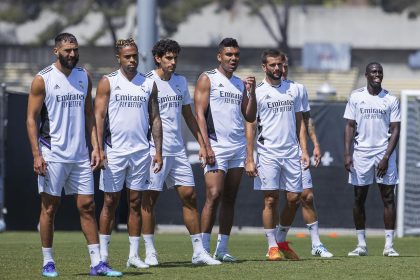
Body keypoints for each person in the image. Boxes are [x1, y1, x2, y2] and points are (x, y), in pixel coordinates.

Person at [26, 33, 122, 277]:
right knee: (50, 207)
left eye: (75, 50)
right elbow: (30, 119)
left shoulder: (84, 76)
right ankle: (48, 262)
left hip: (80, 155)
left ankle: (97, 263)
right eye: (67, 50)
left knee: (88, 206)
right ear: (56, 51)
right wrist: (37, 154)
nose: (72, 54)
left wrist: (97, 148)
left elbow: (90, 115)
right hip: (52, 154)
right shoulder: (42, 80)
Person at [140, 39, 221, 266]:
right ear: (158, 58)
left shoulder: (180, 82)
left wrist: (204, 144)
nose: (173, 62)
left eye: (175, 57)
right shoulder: (146, 82)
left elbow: (189, 116)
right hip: (154, 150)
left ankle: (198, 252)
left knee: (190, 197)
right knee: (149, 200)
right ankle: (149, 251)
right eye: (168, 57)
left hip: (178, 150)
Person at [95, 38, 163, 269]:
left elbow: (155, 117)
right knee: (110, 202)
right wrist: (99, 149)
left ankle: (133, 256)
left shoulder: (148, 83)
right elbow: (99, 118)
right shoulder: (108, 82)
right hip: (114, 152)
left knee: (136, 204)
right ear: (119, 58)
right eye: (127, 56)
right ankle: (102, 256)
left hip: (141, 152)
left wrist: (158, 151)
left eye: (134, 56)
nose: (132, 60)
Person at [194, 38, 256, 262]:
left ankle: (222, 249)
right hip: (216, 146)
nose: (233, 59)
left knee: (230, 197)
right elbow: (199, 113)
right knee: (213, 195)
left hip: (237, 147)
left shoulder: (240, 84)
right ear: (220, 56)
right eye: (229, 55)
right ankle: (201, 250)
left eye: (236, 55)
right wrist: (205, 145)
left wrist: (252, 92)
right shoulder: (207, 78)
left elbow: (249, 116)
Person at [245, 49, 310, 261]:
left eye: (279, 65)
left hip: (292, 153)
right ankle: (272, 246)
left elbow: (301, 121)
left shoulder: (295, 89)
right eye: (272, 65)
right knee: (271, 200)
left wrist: (304, 150)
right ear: (264, 67)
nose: (277, 69)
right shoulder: (258, 91)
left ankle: (281, 238)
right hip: (268, 153)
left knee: (294, 198)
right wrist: (250, 157)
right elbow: (251, 124)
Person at [344, 62, 400, 257]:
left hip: (384, 154)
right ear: (367, 75)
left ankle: (389, 246)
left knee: (388, 197)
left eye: (380, 72)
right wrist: (347, 153)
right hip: (361, 154)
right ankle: (361, 245)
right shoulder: (356, 97)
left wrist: (386, 156)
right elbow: (350, 126)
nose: (377, 75)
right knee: (359, 198)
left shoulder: (391, 99)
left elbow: (395, 130)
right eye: (374, 72)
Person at [281, 56, 333, 258]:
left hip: (296, 150)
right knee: (283, 199)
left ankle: (316, 244)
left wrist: (315, 145)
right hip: (271, 151)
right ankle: (276, 242)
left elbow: (306, 119)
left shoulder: (298, 89)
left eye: (285, 65)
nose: (282, 69)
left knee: (307, 196)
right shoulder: (262, 89)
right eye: (278, 65)